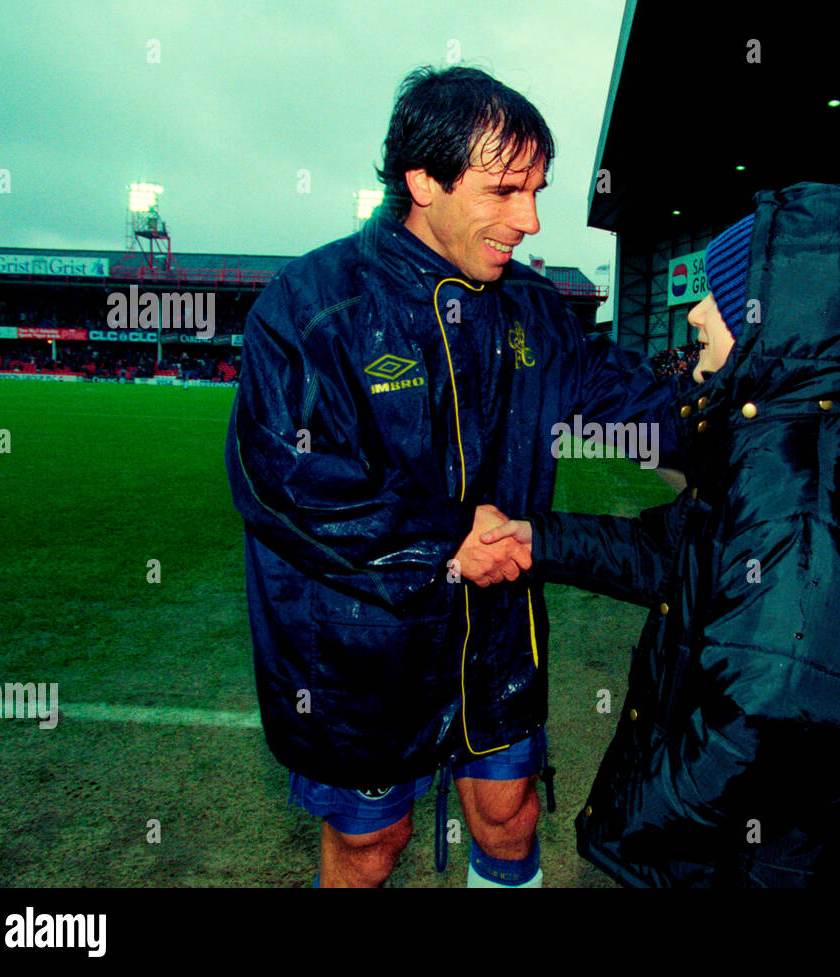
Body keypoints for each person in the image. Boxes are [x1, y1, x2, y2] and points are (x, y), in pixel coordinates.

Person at [225, 66, 681, 888]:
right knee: (373, 842)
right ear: (423, 180)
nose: (531, 220)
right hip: (365, 646)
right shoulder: (311, 304)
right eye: (505, 191)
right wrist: (444, 541)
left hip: (498, 630)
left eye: (537, 190)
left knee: (509, 818)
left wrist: (766, 409)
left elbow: (639, 405)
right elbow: (282, 481)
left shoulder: (535, 309)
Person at [480, 183, 840, 886]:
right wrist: (537, 537)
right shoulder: (770, 440)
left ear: (768, 317)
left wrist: (636, 818)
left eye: (714, 296)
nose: (693, 314)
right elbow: (675, 556)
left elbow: (769, 729)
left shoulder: (794, 493)